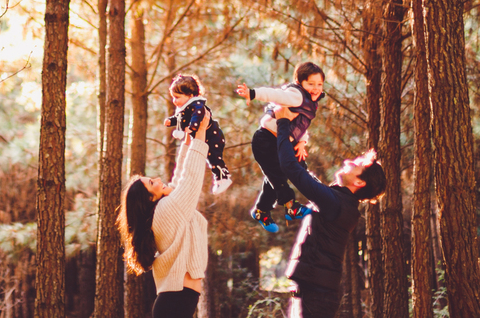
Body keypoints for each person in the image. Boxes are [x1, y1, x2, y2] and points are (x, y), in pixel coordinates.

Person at [273, 104, 387, 318]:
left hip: (316, 294)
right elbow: (303, 174)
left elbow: (290, 168)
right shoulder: (341, 203)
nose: (348, 162)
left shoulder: (335, 203)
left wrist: (282, 122)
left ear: (359, 182)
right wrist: (297, 145)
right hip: (314, 291)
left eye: (356, 164)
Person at [118, 105, 212, 318]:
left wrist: (187, 142)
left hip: (176, 301)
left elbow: (180, 178)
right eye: (153, 183)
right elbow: (190, 178)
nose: (159, 180)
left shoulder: (161, 211)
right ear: (149, 198)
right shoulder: (167, 209)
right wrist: (201, 134)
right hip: (176, 302)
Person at [235, 61, 327, 232]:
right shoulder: (297, 95)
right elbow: (275, 94)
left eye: (319, 84)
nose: (316, 88)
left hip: (283, 141)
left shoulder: (310, 101)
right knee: (277, 175)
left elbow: (301, 125)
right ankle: (291, 206)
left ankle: (262, 210)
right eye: (311, 84)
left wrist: (301, 142)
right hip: (266, 141)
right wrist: (253, 93)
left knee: (284, 173)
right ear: (301, 83)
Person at [163, 73, 231, 194]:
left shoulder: (197, 106)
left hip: (213, 137)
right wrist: (171, 121)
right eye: (173, 97)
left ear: (190, 95)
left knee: (214, 159)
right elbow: (180, 118)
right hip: (205, 138)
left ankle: (223, 178)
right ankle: (219, 179)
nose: (174, 101)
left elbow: (197, 116)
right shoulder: (186, 109)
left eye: (177, 97)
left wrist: (192, 127)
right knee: (209, 160)